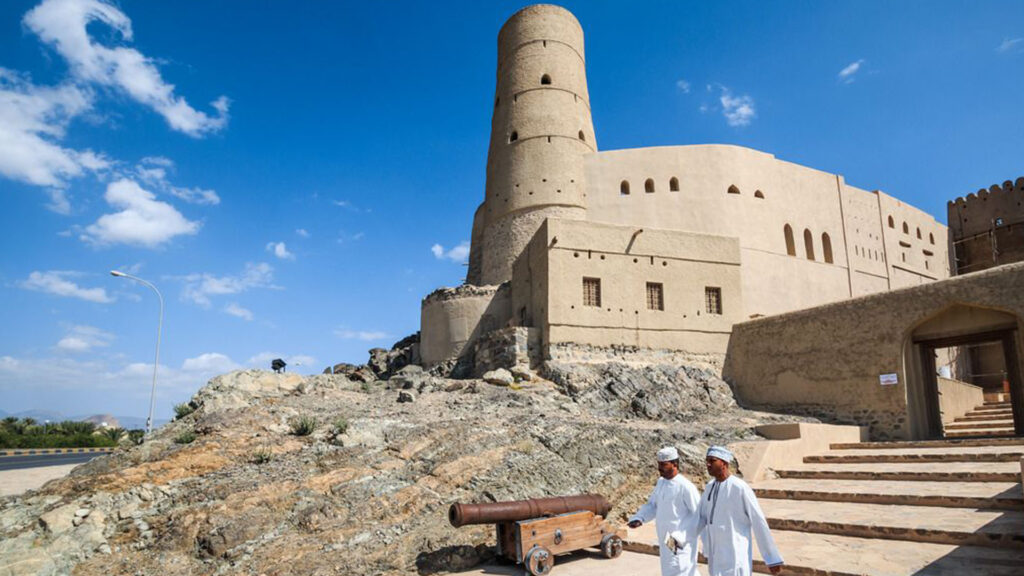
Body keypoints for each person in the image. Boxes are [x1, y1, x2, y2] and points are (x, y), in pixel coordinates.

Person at [698, 446, 784, 575]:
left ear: (724, 463)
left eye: (712, 460)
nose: (708, 464)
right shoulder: (710, 487)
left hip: (734, 555)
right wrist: (679, 538)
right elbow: (700, 519)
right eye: (707, 461)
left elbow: (758, 520)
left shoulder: (740, 488)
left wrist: (772, 558)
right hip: (715, 555)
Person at [627, 446, 702, 576]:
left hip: (680, 541)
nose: (660, 468)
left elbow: (699, 516)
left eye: (664, 464)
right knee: (670, 570)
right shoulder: (661, 483)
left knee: (682, 570)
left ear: (675, 464)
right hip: (665, 540)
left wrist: (681, 537)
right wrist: (640, 518)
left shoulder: (685, 487)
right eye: (659, 464)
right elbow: (653, 505)